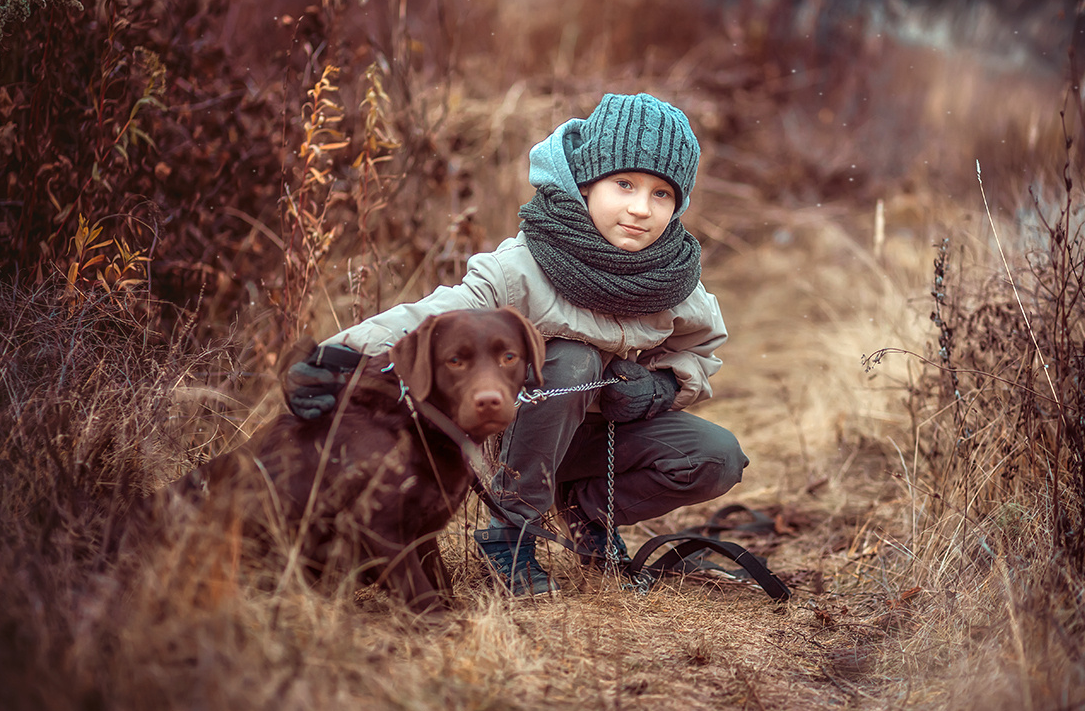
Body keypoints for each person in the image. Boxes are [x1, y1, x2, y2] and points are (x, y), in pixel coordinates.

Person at [283, 93, 749, 595]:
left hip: (596, 444)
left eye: (662, 194)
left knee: (717, 456)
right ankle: (510, 537)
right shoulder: (523, 266)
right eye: (624, 184)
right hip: (512, 437)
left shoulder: (674, 280)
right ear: (585, 181)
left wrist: (660, 387)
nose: (640, 208)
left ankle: (588, 512)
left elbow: (702, 352)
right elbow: (433, 316)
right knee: (572, 358)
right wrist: (338, 355)